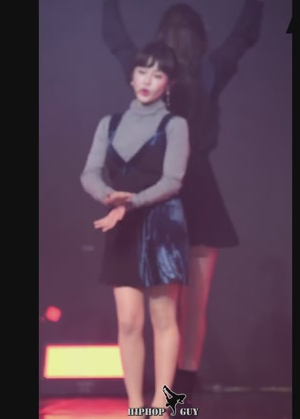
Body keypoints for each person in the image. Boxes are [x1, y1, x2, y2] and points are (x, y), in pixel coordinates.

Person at [92, 0, 292, 399]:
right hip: (199, 191)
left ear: (160, 36)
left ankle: (154, 397)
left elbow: (113, 31)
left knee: (153, 305)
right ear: (201, 37)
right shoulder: (209, 71)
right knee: (191, 303)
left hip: (154, 190)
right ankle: (181, 384)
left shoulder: (146, 73)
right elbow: (246, 29)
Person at [80, 40, 190, 415]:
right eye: (142, 72)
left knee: (163, 319)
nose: (147, 80)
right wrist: (109, 197)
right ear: (131, 77)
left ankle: (161, 404)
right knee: (129, 321)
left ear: (168, 83)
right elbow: (90, 172)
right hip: (122, 226)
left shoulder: (175, 125)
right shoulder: (109, 124)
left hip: (162, 226)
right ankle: (134, 405)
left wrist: (130, 203)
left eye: (158, 75)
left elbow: (173, 181)